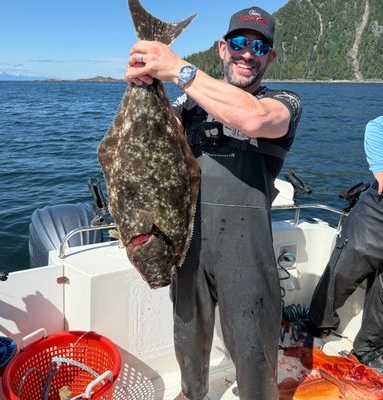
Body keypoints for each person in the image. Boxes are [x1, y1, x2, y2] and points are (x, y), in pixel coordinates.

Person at [125, 6, 302, 400]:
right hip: (187, 245)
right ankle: (191, 394)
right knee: (187, 337)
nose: (247, 54)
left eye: (259, 47)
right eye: (239, 43)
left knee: (254, 351)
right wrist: (144, 81)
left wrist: (178, 69)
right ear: (223, 48)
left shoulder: (283, 102)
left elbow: (254, 120)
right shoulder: (187, 107)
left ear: (270, 57)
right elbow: (146, 145)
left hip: (247, 253)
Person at [308, 115, 383, 372]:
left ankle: (367, 350)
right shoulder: (379, 128)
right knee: (343, 272)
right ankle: (317, 325)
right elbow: (375, 127)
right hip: (376, 215)